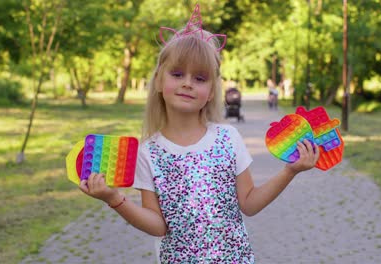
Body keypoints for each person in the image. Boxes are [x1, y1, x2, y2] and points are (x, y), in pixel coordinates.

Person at [79, 4, 319, 263]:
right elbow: (158, 226)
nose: (187, 83)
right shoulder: (149, 152)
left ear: (212, 91)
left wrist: (290, 171)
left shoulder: (228, 139)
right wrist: (114, 199)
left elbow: (249, 204)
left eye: (200, 78)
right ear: (159, 80)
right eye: (178, 73)